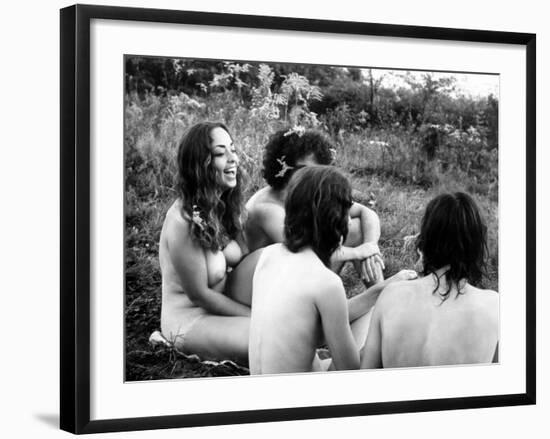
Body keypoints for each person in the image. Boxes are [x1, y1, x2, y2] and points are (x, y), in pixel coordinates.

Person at [249, 166, 416, 374]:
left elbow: (309, 327)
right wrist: (381, 332)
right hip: (301, 403)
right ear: (339, 220)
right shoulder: (326, 283)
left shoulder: (269, 256)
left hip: (262, 393)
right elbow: (350, 370)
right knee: (375, 316)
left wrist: (381, 289)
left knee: (370, 306)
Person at [237, 129, 383, 307]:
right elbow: (304, 253)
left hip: (296, 272)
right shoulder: (267, 208)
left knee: (359, 229)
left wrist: (371, 245)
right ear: (283, 168)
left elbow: (366, 213)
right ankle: (334, 307)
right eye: (303, 170)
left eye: (317, 171)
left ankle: (381, 300)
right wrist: (358, 252)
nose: (310, 177)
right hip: (264, 288)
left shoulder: (308, 193)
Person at [360, 192, 499, 369]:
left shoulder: (391, 295)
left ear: (426, 239)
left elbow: (367, 373)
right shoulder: (494, 306)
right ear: (476, 245)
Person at [159, 121, 257, 364]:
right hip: (191, 319)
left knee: (272, 258)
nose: (233, 158)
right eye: (220, 153)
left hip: (222, 303)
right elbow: (200, 295)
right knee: (270, 336)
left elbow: (245, 253)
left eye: (233, 149)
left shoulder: (220, 203)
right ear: (200, 164)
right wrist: (256, 316)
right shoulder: (182, 221)